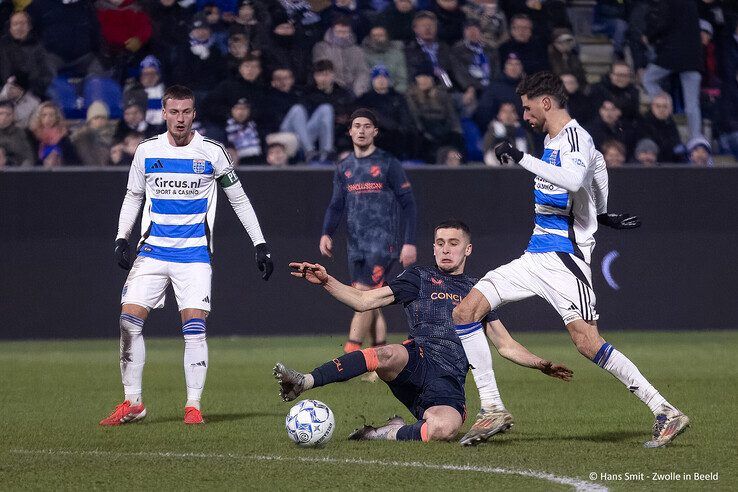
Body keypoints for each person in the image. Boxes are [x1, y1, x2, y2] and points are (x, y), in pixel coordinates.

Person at [451, 71, 690, 449]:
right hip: (535, 255)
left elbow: (577, 178)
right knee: (466, 312)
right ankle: (492, 407)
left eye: (528, 108)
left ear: (546, 103)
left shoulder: (576, 136)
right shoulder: (553, 139)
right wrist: (605, 212)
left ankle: (665, 410)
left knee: (587, 343)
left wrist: (521, 158)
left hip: (565, 259)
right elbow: (597, 170)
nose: (526, 116)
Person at [277, 220, 573, 442]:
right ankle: (304, 381)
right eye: (440, 242)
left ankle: (384, 433)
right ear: (433, 247)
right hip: (416, 361)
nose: (446, 248)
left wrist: (540, 364)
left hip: (447, 381)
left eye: (454, 243)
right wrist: (327, 281)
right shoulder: (419, 277)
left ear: (468, 248)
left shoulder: (478, 290)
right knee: (387, 352)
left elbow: (505, 344)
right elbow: (364, 300)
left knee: (445, 429)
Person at [99, 85, 274, 426]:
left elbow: (239, 199)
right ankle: (132, 403)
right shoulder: (147, 150)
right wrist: (122, 236)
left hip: (193, 256)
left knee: (194, 328)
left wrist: (260, 243)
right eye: (173, 112)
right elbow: (134, 196)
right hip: (151, 252)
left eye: (186, 112)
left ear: (194, 114)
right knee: (127, 323)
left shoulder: (212, 151)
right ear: (164, 114)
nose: (180, 119)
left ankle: (193, 406)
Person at [320, 108, 417, 362]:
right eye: (357, 126)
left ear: (375, 131)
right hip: (356, 245)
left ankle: (349, 357)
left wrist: (409, 242)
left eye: (366, 126)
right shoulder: (344, 167)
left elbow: (409, 204)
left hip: (384, 244)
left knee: (362, 298)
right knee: (370, 302)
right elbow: (336, 204)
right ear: (350, 131)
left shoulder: (388, 164)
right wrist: (327, 233)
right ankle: (380, 359)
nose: (361, 130)